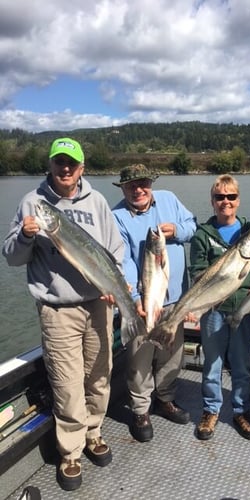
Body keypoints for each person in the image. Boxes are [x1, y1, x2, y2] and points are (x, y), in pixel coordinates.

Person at [2, 138, 125, 491]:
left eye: (72, 163)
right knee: (67, 383)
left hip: (98, 304)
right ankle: (71, 451)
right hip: (58, 310)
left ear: (82, 167)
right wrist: (26, 235)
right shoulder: (33, 203)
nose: (66, 169)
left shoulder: (98, 201)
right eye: (59, 162)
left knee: (100, 375)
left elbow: (114, 253)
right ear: (51, 166)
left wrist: (115, 285)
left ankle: (95, 433)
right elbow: (12, 256)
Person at [112, 164, 196, 442]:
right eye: (131, 185)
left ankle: (166, 398)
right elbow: (123, 263)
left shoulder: (170, 199)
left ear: (151, 183)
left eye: (143, 183)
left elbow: (192, 226)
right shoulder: (117, 217)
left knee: (171, 353)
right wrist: (136, 300)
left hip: (176, 300)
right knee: (139, 359)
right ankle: (140, 409)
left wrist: (177, 232)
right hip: (144, 303)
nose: (138, 189)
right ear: (123, 188)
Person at [189, 174, 250, 441]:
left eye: (231, 196)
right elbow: (197, 272)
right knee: (213, 363)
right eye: (220, 197)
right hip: (213, 309)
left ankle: (241, 411)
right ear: (212, 201)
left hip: (244, 308)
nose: (226, 202)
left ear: (238, 200)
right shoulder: (202, 235)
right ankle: (211, 410)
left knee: (242, 363)